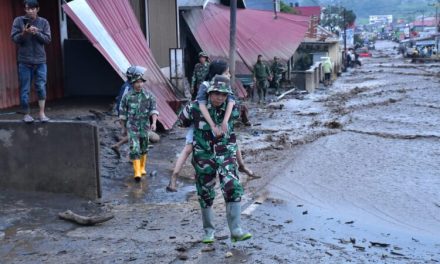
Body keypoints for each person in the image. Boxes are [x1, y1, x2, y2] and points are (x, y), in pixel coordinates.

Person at [173, 75, 252, 243]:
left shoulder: (232, 108)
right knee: (205, 191)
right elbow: (180, 122)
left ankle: (236, 230)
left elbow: (239, 118)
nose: (219, 97)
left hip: (225, 152)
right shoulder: (195, 107)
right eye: (216, 93)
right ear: (209, 93)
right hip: (204, 154)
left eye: (223, 95)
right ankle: (209, 231)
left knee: (232, 185)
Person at [167, 60, 255, 192]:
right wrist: (212, 125)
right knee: (188, 148)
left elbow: (231, 101)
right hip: (202, 120)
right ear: (217, 74)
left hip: (219, 118)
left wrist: (225, 121)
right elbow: (201, 104)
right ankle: (174, 177)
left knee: (231, 141)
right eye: (227, 73)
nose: (229, 75)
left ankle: (241, 165)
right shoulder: (205, 85)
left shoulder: (225, 86)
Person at [11, 0, 51, 123]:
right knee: (25, 89)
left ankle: (41, 113)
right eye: (28, 8)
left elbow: (48, 40)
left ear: (37, 9)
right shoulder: (18, 21)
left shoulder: (43, 22)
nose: (30, 11)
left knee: (41, 86)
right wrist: (24, 32)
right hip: (24, 61)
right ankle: (26, 114)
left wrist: (36, 32)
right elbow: (14, 38)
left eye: (32, 9)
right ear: (25, 9)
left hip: (40, 61)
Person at [119, 66, 159, 182]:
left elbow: (154, 110)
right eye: (137, 82)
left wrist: (154, 123)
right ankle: (136, 171)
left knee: (144, 147)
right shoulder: (127, 97)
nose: (139, 84)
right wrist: (123, 127)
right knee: (134, 148)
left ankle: (142, 168)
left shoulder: (149, 96)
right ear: (132, 83)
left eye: (141, 82)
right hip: (132, 127)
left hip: (145, 127)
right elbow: (122, 113)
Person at [111, 66, 160, 157]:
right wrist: (123, 123)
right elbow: (122, 105)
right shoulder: (128, 88)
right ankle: (129, 153)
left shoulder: (132, 87)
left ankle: (119, 145)